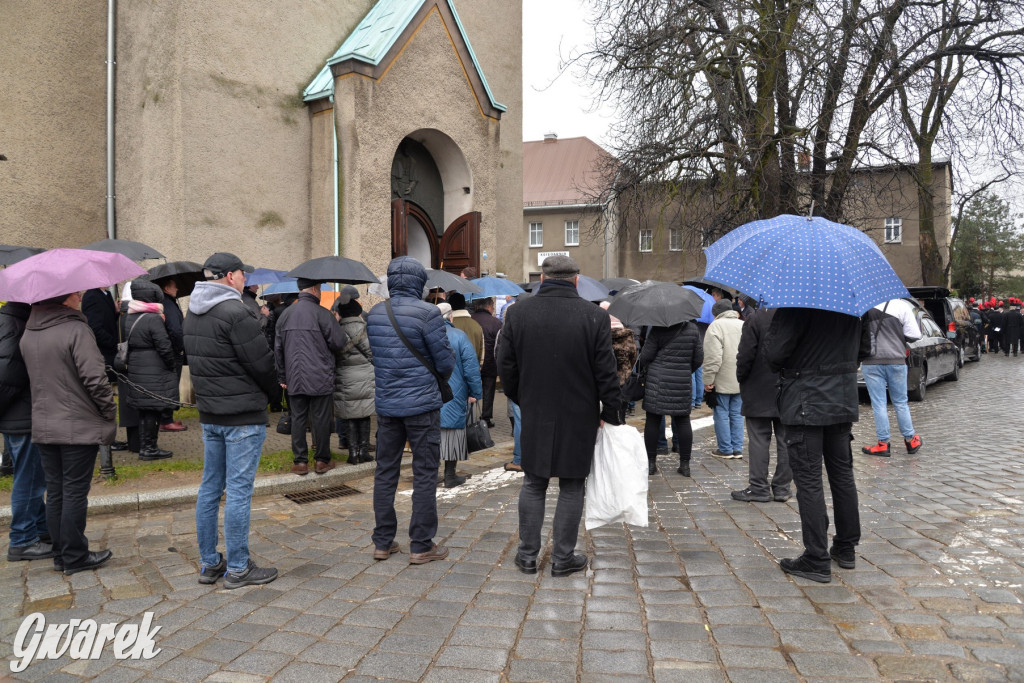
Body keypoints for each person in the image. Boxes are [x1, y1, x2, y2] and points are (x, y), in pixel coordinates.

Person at [499, 255, 621, 577]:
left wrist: (522, 398)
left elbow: (506, 366)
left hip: (535, 409)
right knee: (571, 485)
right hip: (579, 413)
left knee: (533, 482)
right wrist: (610, 413)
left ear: (542, 279)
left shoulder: (518, 313)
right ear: (577, 281)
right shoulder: (594, 316)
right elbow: (607, 373)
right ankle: (563, 557)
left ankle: (527, 556)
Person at [184, 252, 279, 588]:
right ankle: (238, 567)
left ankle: (210, 564)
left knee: (210, 489)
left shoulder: (193, 312)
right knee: (238, 491)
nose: (246, 279)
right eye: (243, 273)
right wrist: (275, 395)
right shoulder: (235, 311)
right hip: (241, 416)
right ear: (229, 276)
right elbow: (261, 363)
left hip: (211, 414)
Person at [764, 306, 870, 584]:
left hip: (805, 400)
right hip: (842, 397)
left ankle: (816, 557)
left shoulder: (796, 305)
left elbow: (774, 355)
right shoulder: (854, 303)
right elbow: (865, 348)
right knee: (842, 474)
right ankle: (846, 547)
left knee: (809, 480)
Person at [21, 289, 116, 575]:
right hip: (76, 422)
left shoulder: (30, 332)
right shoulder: (76, 328)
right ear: (62, 298)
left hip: (45, 423)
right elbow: (95, 379)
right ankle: (75, 556)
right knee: (74, 492)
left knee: (58, 492)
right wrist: (108, 410)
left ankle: (63, 555)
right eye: (76, 293)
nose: (80, 296)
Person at [367, 257, 455, 565]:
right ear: (419, 283)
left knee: (385, 472)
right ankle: (420, 544)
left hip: (388, 406)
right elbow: (445, 363)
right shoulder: (429, 313)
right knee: (425, 473)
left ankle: (382, 541)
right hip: (422, 406)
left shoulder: (375, 313)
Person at [275, 278, 346, 475]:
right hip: (320, 375)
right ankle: (322, 460)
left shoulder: (286, 315)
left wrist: (282, 376)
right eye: (321, 289)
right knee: (321, 418)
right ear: (315, 290)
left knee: (297, 418)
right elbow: (339, 342)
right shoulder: (323, 314)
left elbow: (278, 349)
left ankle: (300, 462)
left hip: (294, 376)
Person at [0, 301, 52, 562]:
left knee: (31, 477)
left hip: (19, 415)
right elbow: (8, 375)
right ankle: (22, 539)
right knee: (30, 480)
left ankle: (41, 530)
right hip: (23, 416)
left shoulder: (13, 320)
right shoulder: (14, 324)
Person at [732, 307, 792, 503]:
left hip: (758, 386)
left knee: (759, 439)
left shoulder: (757, 318)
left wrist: (742, 378)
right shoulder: (798, 315)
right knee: (786, 440)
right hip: (789, 386)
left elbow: (746, 354)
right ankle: (782, 488)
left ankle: (759, 487)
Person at [639, 315, 702, 476]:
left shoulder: (658, 329)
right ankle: (685, 465)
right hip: (681, 381)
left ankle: (651, 463)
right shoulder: (693, 330)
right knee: (683, 421)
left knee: (653, 420)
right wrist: (685, 370)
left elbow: (645, 356)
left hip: (657, 381)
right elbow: (698, 359)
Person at [123, 279, 178, 461]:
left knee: (145, 410)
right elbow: (164, 345)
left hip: (138, 366)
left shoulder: (130, 316)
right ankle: (149, 448)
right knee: (152, 410)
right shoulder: (153, 318)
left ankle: (145, 446)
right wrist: (171, 364)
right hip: (154, 368)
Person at [861, 300, 923, 456]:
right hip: (896, 360)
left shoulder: (864, 305)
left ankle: (883, 443)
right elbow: (915, 335)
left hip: (871, 361)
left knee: (878, 404)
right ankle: (911, 440)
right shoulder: (901, 306)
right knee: (901, 402)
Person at [437, 302, 482, 488]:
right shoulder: (459, 336)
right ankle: (449, 475)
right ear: (451, 317)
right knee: (453, 432)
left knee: (431, 434)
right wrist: (476, 392)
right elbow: (471, 368)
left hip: (429, 393)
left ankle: (429, 475)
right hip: (454, 393)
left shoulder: (426, 336)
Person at [331, 293, 375, 465]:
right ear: (358, 312)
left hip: (344, 378)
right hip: (364, 377)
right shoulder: (364, 329)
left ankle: (352, 453)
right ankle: (364, 451)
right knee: (364, 415)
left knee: (349, 415)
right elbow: (372, 354)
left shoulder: (335, 330)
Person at [704, 300, 745, 458]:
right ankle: (737, 448)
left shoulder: (715, 326)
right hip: (740, 377)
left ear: (716, 314)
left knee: (721, 412)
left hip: (721, 378)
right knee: (737, 413)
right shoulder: (742, 324)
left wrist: (708, 379)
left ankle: (726, 449)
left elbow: (713, 358)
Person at [155, 277, 187, 432]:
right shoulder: (168, 304)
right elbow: (174, 329)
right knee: (171, 385)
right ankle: (166, 420)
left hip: (169, 350)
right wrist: (180, 347)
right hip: (173, 351)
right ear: (166, 288)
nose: (177, 289)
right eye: (174, 286)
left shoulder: (167, 303)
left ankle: (167, 418)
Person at [470, 296, 502, 427]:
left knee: (471, 389)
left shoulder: (471, 319)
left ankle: (470, 417)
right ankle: (486, 418)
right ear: (489, 307)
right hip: (490, 363)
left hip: (473, 362)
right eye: (493, 306)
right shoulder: (496, 322)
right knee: (489, 391)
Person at [448, 293, 484, 364]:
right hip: (473, 369)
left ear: (450, 306)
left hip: (452, 372)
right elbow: (481, 354)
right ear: (464, 305)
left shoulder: (447, 326)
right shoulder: (477, 326)